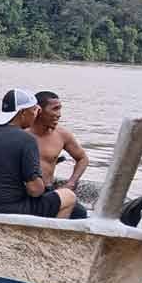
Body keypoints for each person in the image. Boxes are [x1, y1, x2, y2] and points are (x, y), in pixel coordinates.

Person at [0, 89, 77, 218]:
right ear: (23, 113)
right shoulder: (26, 139)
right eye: (34, 110)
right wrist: (43, 184)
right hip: (11, 209)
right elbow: (35, 191)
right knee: (69, 197)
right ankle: (47, 236)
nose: (36, 115)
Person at [29, 90, 89, 219]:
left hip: (48, 190)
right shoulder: (22, 134)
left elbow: (82, 158)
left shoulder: (62, 134)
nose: (59, 115)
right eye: (55, 109)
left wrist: (71, 182)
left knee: (80, 213)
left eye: (60, 109)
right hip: (27, 191)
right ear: (38, 110)